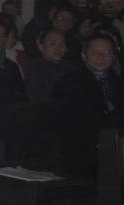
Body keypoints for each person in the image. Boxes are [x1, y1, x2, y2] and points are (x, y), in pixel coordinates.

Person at [53, 34, 124, 174]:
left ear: (114, 57)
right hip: (81, 152)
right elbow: (66, 123)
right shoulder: (67, 83)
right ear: (84, 56)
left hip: (117, 148)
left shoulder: (119, 83)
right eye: (94, 52)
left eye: (107, 53)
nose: (101, 57)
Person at [25, 28, 76, 104]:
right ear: (41, 47)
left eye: (62, 44)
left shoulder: (73, 67)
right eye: (53, 44)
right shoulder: (35, 69)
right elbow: (38, 101)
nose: (58, 48)